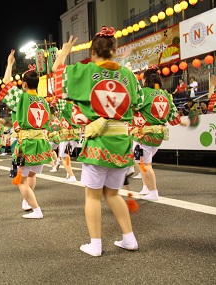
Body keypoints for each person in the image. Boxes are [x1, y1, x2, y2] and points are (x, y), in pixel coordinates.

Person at [52, 27, 141, 256]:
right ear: (114, 50)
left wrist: (64, 52)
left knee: (92, 195)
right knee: (112, 194)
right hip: (121, 142)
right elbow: (138, 101)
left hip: (98, 142)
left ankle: (96, 245)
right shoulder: (128, 74)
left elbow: (57, 73)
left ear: (93, 52)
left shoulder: (85, 70)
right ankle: (129, 238)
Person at [0, 52, 53, 219]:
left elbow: (6, 83)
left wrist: (9, 64)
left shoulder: (21, 97)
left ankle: (36, 210)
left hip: (26, 144)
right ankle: (28, 201)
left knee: (21, 180)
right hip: (41, 143)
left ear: (23, 85)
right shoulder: (44, 101)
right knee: (32, 175)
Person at [131, 65, 187, 201]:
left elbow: (132, 105)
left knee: (145, 164)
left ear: (146, 81)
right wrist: (181, 122)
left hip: (144, 134)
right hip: (158, 136)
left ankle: (153, 192)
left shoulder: (144, 93)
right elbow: (174, 117)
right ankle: (146, 187)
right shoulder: (166, 95)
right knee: (143, 161)